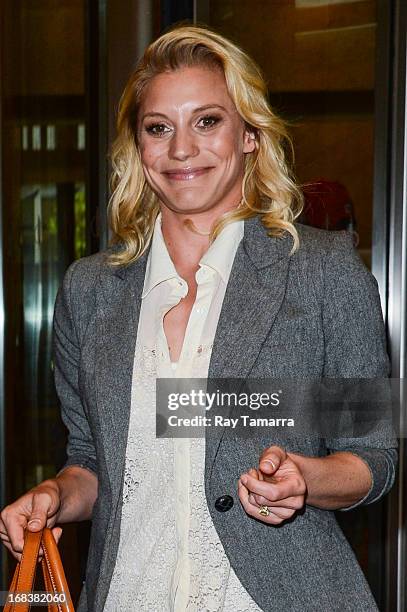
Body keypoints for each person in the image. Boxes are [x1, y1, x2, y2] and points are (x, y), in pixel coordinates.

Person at [0, 25, 397, 612]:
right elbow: (93, 460)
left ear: (250, 137)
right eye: (159, 128)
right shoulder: (90, 291)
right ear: (139, 147)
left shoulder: (322, 272)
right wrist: (56, 494)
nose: (181, 149)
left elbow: (373, 458)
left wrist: (304, 477)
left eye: (207, 121)